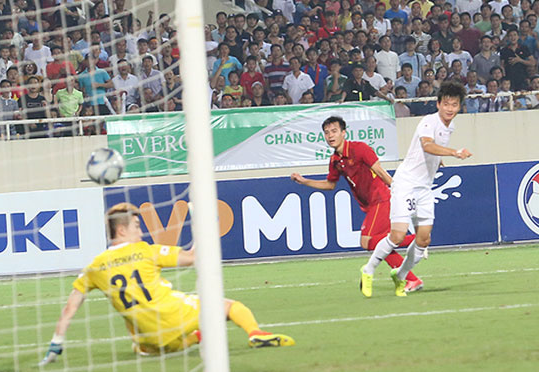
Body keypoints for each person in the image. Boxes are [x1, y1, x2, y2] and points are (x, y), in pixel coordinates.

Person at [39, 203, 295, 365]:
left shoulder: (95, 266)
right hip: (176, 316)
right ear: (121, 231)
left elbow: (69, 308)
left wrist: (56, 343)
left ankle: (196, 338)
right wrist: (202, 226)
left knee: (139, 345)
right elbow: (194, 258)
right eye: (137, 226)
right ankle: (256, 334)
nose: (141, 231)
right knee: (228, 306)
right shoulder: (147, 251)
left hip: (151, 340)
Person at [360, 82, 472, 298]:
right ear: (438, 104)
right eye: (446, 104)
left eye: (454, 105)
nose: (450, 108)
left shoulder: (450, 126)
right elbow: (427, 145)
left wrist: (437, 161)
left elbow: (432, 151)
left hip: (424, 188)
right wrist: (454, 153)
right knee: (398, 234)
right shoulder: (428, 122)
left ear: (459, 107)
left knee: (423, 240)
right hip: (406, 183)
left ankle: (400, 276)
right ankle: (368, 269)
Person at [290, 117, 423, 292]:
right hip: (370, 204)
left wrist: (399, 192)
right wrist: (304, 181)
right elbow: (330, 185)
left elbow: (380, 172)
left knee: (367, 242)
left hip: (381, 199)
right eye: (327, 132)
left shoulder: (359, 148)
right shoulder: (335, 160)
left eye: (334, 131)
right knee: (379, 244)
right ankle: (412, 278)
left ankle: (418, 241)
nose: (330, 135)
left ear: (344, 133)